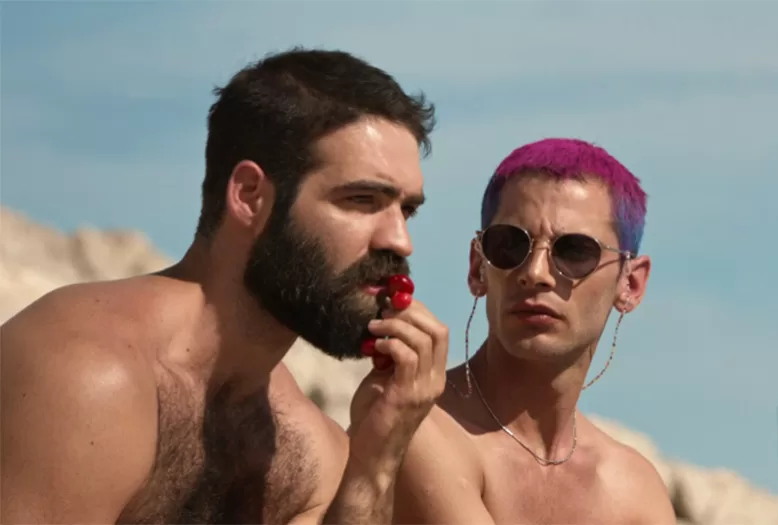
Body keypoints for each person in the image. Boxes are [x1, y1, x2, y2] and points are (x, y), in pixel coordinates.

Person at [0, 48, 449, 524]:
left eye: (407, 210)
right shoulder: (86, 374)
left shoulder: (308, 450)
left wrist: (375, 464)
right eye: (362, 199)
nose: (400, 240)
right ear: (250, 196)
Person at [392, 138, 676, 524]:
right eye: (509, 246)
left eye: (574, 252)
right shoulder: (423, 427)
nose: (535, 273)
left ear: (631, 284)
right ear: (478, 267)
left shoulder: (633, 489)